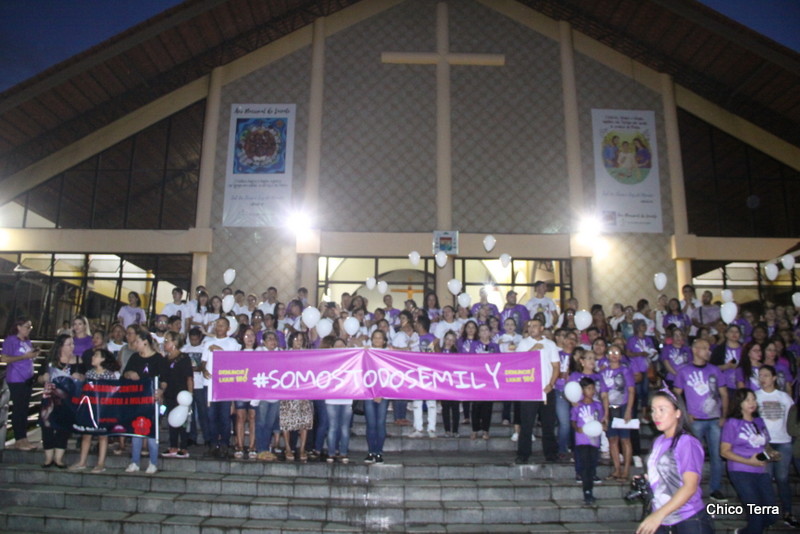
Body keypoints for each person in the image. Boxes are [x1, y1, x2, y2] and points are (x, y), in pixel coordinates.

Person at [635, 389, 713, 534]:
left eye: (662, 410)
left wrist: (658, 515)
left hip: (687, 518)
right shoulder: (658, 441)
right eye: (653, 410)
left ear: (678, 413)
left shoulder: (687, 442)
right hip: (663, 517)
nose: (656, 415)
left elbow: (690, 486)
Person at [673, 338, 728, 502]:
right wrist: (684, 414)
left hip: (714, 419)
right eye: (705, 348)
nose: (708, 352)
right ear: (695, 350)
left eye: (708, 348)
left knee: (717, 455)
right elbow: (675, 395)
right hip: (695, 420)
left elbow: (724, 394)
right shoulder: (684, 371)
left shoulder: (715, 370)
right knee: (693, 455)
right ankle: (691, 488)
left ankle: (715, 489)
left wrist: (724, 415)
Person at [722, 388, 779, 533]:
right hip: (740, 471)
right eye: (747, 400)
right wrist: (749, 461)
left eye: (754, 399)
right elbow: (724, 451)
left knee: (771, 514)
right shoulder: (732, 423)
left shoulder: (759, 421)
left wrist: (771, 453)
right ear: (739, 403)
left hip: (761, 471)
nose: (752, 403)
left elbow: (765, 444)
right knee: (756, 515)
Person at [755, 365, 798, 527]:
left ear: (774, 378)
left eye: (766, 375)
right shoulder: (755, 396)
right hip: (764, 443)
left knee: (782, 478)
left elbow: (792, 417)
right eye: (760, 375)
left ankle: (787, 512)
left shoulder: (784, 397)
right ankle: (768, 513)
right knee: (766, 478)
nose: (762, 378)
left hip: (783, 441)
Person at [515, 318, 560, 464]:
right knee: (526, 424)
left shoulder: (550, 344)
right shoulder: (524, 343)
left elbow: (556, 366)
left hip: (546, 390)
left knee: (548, 424)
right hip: (529, 390)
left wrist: (551, 384)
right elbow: (518, 362)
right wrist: (532, 351)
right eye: (529, 326)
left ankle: (551, 453)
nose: (531, 328)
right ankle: (523, 454)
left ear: (541, 328)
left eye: (535, 326)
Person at [123, 327, 166, 474]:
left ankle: (153, 462)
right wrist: (130, 373)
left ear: (145, 342)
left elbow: (165, 379)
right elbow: (124, 374)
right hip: (136, 398)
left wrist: (161, 391)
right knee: (136, 431)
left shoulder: (158, 359)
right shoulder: (135, 358)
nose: (135, 344)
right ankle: (134, 461)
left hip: (152, 399)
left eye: (137, 341)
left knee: (152, 430)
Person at [70, 348, 120, 473]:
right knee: (86, 435)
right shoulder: (89, 374)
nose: (93, 357)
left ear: (103, 359)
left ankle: (101, 463)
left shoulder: (109, 375)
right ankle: (82, 462)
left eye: (96, 355)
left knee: (103, 436)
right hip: (89, 409)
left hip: (103, 409)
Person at [200, 317, 241, 458]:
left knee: (224, 416)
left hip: (225, 384)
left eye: (222, 325)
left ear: (228, 328)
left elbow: (234, 362)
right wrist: (204, 370)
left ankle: (224, 444)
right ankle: (213, 444)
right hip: (210, 384)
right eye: (217, 324)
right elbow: (203, 361)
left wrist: (219, 350)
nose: (219, 327)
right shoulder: (208, 342)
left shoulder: (232, 343)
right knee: (211, 416)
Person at [38, 334, 78, 468]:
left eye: (73, 344)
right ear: (60, 346)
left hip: (68, 400)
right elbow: (38, 377)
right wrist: (43, 378)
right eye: (69, 344)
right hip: (50, 398)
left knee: (64, 426)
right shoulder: (50, 360)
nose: (72, 347)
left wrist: (79, 377)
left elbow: (85, 377)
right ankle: (48, 458)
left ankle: (59, 458)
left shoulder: (77, 361)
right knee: (47, 426)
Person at [2, 318, 40, 450]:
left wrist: (33, 355)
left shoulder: (27, 341)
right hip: (16, 378)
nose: (29, 329)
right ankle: (19, 439)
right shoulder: (11, 340)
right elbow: (4, 358)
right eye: (27, 327)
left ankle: (23, 438)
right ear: (18, 327)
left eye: (30, 327)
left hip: (27, 378)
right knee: (18, 409)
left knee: (24, 409)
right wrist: (24, 357)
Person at [601, 344, 635, 480]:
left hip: (623, 407)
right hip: (610, 408)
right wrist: (605, 414)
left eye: (616, 352)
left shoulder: (625, 370)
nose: (613, 355)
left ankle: (626, 470)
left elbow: (631, 391)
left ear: (621, 356)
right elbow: (604, 394)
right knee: (612, 439)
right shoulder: (603, 373)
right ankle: (617, 469)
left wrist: (628, 410)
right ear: (607, 356)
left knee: (625, 439)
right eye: (611, 352)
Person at [280, 331, 313, 462]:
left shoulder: (307, 355)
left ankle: (302, 448)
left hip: (303, 392)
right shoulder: (284, 355)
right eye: (296, 339)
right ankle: (288, 448)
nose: (298, 342)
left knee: (304, 421)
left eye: (300, 339)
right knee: (286, 421)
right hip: (288, 392)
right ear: (291, 340)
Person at [160, 331, 194, 459]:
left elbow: (189, 377)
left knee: (183, 422)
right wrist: (161, 392)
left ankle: (184, 447)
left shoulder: (184, 358)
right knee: (171, 420)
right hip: (169, 394)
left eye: (167, 340)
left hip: (182, 395)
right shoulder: (165, 360)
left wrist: (190, 395)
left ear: (174, 342)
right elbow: (164, 379)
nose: (164, 343)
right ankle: (173, 446)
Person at [571, 377, 603, 506]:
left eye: (593, 388)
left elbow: (600, 421)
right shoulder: (577, 406)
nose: (592, 391)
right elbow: (573, 421)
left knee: (592, 465)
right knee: (585, 465)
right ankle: (587, 491)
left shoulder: (598, 406)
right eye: (588, 388)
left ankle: (590, 488)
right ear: (582, 390)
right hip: (581, 440)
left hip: (594, 441)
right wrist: (577, 428)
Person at [364, 329, 390, 463]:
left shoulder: (389, 354)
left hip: (383, 393)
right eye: (375, 337)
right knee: (371, 424)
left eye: (380, 337)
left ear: (384, 340)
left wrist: (380, 393)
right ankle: (371, 452)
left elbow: (390, 375)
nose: (377, 340)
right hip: (369, 393)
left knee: (380, 423)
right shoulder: (367, 353)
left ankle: (379, 452)